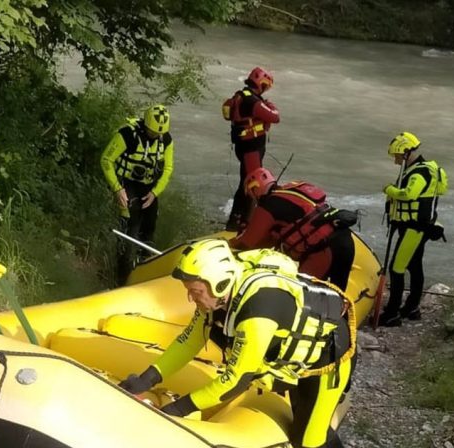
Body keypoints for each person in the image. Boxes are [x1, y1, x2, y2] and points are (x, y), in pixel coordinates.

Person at [119, 239, 354, 448]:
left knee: (308, 440)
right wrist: (146, 379)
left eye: (195, 291)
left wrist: (175, 410)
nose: (191, 298)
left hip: (327, 361)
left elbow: (235, 380)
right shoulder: (217, 296)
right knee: (303, 419)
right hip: (292, 355)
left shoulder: (258, 312)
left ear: (218, 284)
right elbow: (188, 342)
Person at [229, 167, 358, 292]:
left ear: (254, 191)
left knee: (302, 296)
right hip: (345, 240)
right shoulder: (291, 192)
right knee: (339, 296)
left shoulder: (268, 205)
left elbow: (246, 244)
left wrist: (226, 243)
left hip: (323, 250)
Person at [378, 132, 448, 327]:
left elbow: (409, 195)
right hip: (415, 226)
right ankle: (412, 307)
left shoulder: (420, 173)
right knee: (414, 265)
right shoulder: (416, 169)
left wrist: (389, 190)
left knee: (396, 268)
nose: (395, 160)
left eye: (397, 156)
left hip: (414, 228)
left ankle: (392, 313)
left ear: (406, 152)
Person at [100, 104, 174, 284]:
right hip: (127, 184)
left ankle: (145, 270)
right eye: (153, 132)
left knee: (149, 229)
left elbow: (168, 168)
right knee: (130, 229)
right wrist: (117, 189)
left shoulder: (165, 139)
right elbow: (106, 159)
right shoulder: (127, 135)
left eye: (160, 133)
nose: (157, 136)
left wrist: (155, 193)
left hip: (149, 187)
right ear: (146, 125)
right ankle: (121, 277)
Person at [222, 66, 280, 231]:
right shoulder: (252, 101)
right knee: (252, 184)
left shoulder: (242, 95)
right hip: (251, 147)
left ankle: (239, 219)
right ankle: (241, 222)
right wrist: (271, 105)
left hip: (246, 146)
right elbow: (275, 117)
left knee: (246, 182)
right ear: (261, 84)